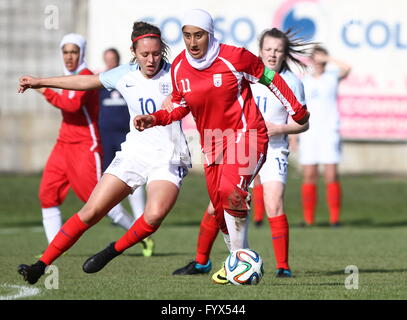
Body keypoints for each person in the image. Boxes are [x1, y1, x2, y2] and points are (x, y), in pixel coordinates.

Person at [134, 9, 310, 284]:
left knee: (232, 191)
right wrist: (155, 118)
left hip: (248, 133)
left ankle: (248, 261)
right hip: (213, 143)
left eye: (199, 35)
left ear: (210, 34)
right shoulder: (180, 66)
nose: (192, 42)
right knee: (219, 208)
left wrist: (297, 111)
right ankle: (239, 261)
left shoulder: (234, 57)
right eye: (187, 35)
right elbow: (179, 107)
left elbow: (270, 78)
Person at [17, 21, 191, 285]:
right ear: (134, 52)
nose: (151, 59)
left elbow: (204, 95)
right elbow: (85, 81)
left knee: (153, 215)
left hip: (169, 156)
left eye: (156, 53)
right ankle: (39, 266)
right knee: (91, 211)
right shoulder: (124, 74)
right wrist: (40, 81)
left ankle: (112, 250)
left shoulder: (177, 73)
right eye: (145, 54)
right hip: (135, 152)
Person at [33, 34, 135, 248]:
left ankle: (138, 233)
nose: (69, 56)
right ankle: (54, 248)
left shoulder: (86, 75)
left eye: (74, 52)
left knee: (98, 202)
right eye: (66, 52)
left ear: (81, 54)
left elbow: (71, 106)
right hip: (63, 144)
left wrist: (45, 90)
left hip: (84, 146)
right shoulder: (67, 76)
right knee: (47, 195)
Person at [99, 48, 153, 257]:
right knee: (110, 181)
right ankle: (133, 227)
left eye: (113, 59)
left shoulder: (127, 81)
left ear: (119, 60)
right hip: (106, 140)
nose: (111, 63)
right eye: (108, 60)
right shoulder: (102, 86)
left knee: (133, 178)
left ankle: (141, 222)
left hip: (126, 136)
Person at [296, 45, 351, 227]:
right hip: (309, 132)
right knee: (309, 174)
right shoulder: (304, 81)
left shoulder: (331, 77)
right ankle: (308, 220)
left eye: (321, 57)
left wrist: (328, 59)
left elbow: (347, 68)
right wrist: (293, 136)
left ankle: (335, 219)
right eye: (316, 57)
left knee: (331, 175)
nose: (318, 61)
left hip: (329, 132)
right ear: (311, 60)